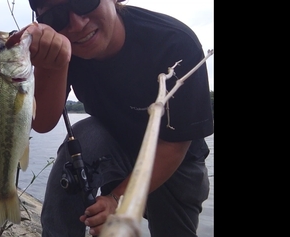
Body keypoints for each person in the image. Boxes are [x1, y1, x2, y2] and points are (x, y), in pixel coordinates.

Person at [24, 0, 213, 236]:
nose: (77, 24)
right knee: (85, 137)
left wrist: (116, 198)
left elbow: (174, 146)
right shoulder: (64, 42)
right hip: (113, 149)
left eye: (84, 2)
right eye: (56, 15)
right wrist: (50, 64)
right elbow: (42, 122)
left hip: (175, 160)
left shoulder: (175, 42)